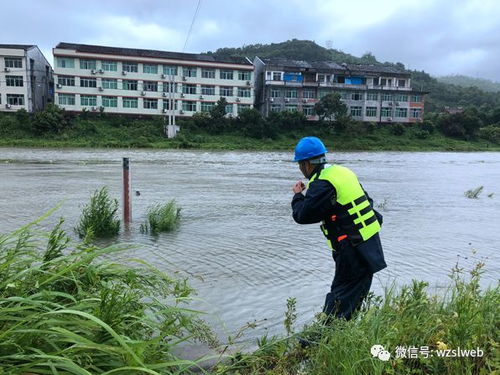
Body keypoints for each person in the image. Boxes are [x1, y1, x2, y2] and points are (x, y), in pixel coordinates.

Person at [291, 136, 386, 322]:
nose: (300, 169)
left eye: (300, 165)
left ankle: (318, 339)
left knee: (341, 294)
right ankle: (340, 332)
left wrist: (297, 196)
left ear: (305, 164)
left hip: (352, 248)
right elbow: (367, 200)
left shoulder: (322, 184)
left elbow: (302, 216)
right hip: (370, 243)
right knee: (354, 294)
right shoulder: (343, 172)